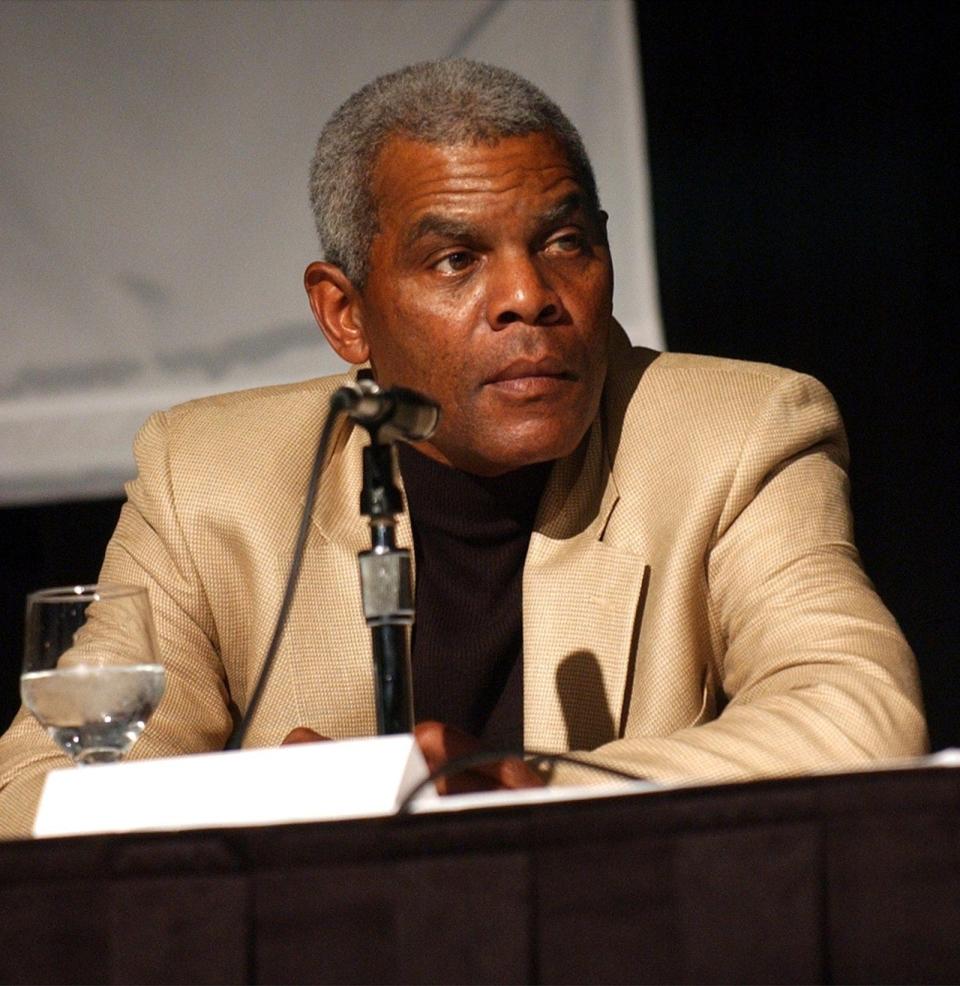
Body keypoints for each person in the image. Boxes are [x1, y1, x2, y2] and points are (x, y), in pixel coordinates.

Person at [0, 59, 927, 838]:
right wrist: (313, 798)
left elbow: (857, 721)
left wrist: (513, 790)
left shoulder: (738, 433)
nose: (530, 296)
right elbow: (39, 792)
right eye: (456, 260)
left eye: (565, 242)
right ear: (346, 312)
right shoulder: (209, 473)